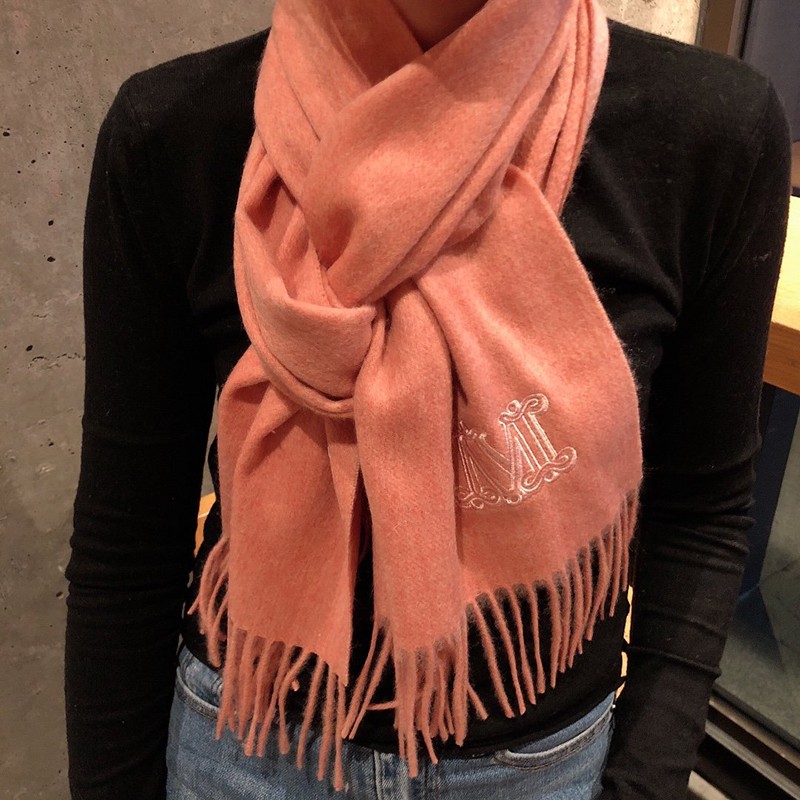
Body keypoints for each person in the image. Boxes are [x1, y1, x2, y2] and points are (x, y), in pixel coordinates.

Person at [64, 1, 793, 799]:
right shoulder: (175, 129)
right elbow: (129, 537)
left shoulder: (706, 129)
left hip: (539, 775)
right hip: (240, 749)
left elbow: (701, 511)